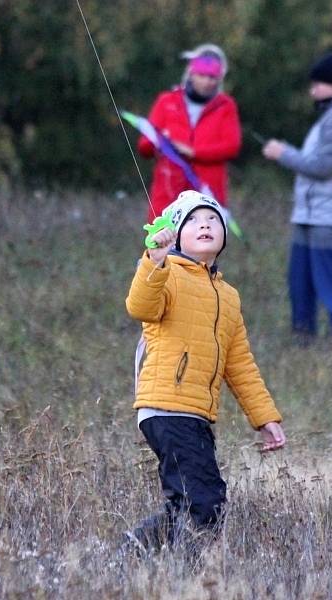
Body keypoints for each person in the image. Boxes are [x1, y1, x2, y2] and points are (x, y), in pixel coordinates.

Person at [124, 190, 285, 552]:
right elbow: (140, 306)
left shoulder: (228, 296)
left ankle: (130, 553)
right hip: (166, 406)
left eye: (213, 219)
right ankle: (186, 576)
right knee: (206, 501)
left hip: (196, 412)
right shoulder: (166, 273)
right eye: (194, 220)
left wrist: (264, 417)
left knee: (189, 501)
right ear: (176, 234)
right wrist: (154, 260)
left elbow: (239, 362)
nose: (205, 225)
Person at [262, 51, 332, 352]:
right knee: (300, 286)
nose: (312, 91)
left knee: (331, 288)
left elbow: (321, 167)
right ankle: (302, 345)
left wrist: (281, 153)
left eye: (316, 84)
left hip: (328, 217)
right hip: (309, 215)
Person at [137, 44, 242, 219]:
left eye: (212, 77)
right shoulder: (167, 101)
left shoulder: (225, 106)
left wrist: (194, 153)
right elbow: (144, 147)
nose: (207, 82)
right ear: (191, 74)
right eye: (202, 75)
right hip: (168, 194)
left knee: (203, 243)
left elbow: (231, 146)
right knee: (164, 245)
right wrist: (162, 143)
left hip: (207, 194)